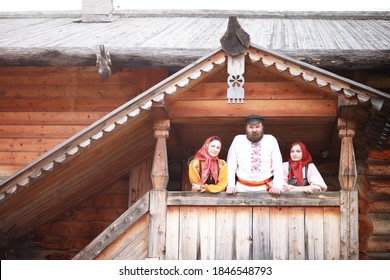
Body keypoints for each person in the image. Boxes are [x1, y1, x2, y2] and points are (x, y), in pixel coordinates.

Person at [226, 115, 283, 195]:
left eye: (257, 127)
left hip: (267, 188)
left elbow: (277, 165)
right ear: (246, 127)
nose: (254, 130)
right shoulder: (238, 140)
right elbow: (231, 166)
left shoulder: (271, 140)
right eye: (251, 127)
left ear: (262, 127)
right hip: (241, 188)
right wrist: (231, 185)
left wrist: (277, 186)